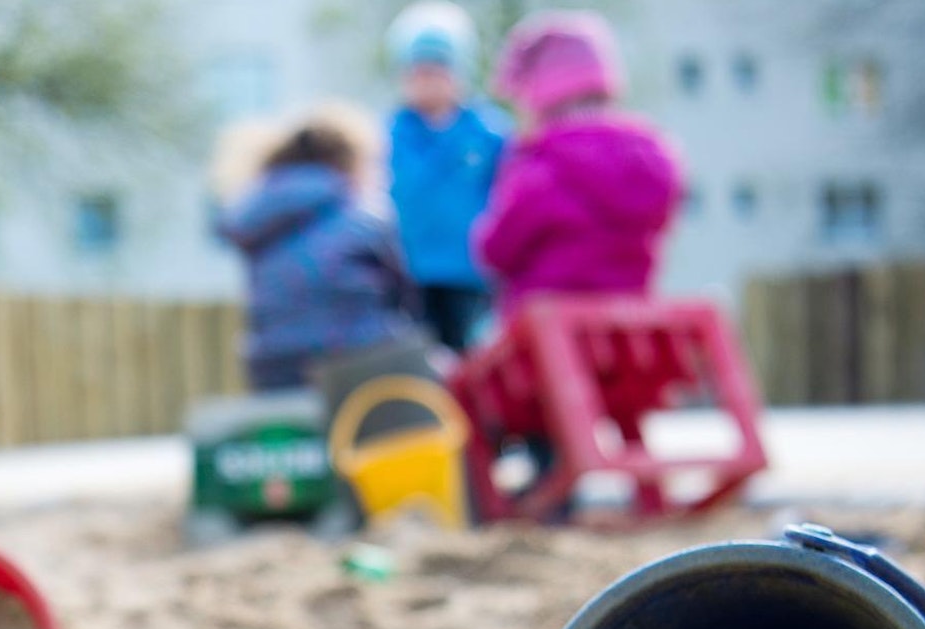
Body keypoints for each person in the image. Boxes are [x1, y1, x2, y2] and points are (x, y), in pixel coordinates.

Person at [472, 12, 683, 305]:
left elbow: (497, 250)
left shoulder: (542, 166)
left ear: (538, 97)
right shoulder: (651, 160)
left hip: (546, 322)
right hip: (624, 320)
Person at [214, 109, 420, 391]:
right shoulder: (363, 216)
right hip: (357, 356)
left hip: (272, 362)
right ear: (352, 161)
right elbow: (404, 297)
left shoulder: (259, 214)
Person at [386, 1, 506, 354]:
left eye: (437, 69)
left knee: (472, 360)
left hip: (471, 277)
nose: (428, 80)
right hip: (409, 277)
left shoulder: (489, 133)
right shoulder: (389, 135)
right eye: (418, 70)